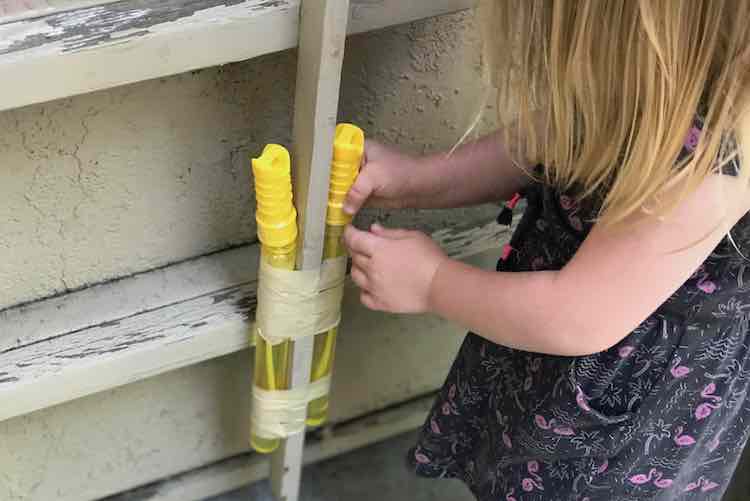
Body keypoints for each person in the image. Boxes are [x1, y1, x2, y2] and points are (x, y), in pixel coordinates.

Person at [342, 1, 750, 499]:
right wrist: (416, 181)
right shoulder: (658, 70)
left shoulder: (713, 161)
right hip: (561, 373)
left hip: (615, 439)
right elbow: (560, 133)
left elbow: (578, 314)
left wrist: (433, 283)